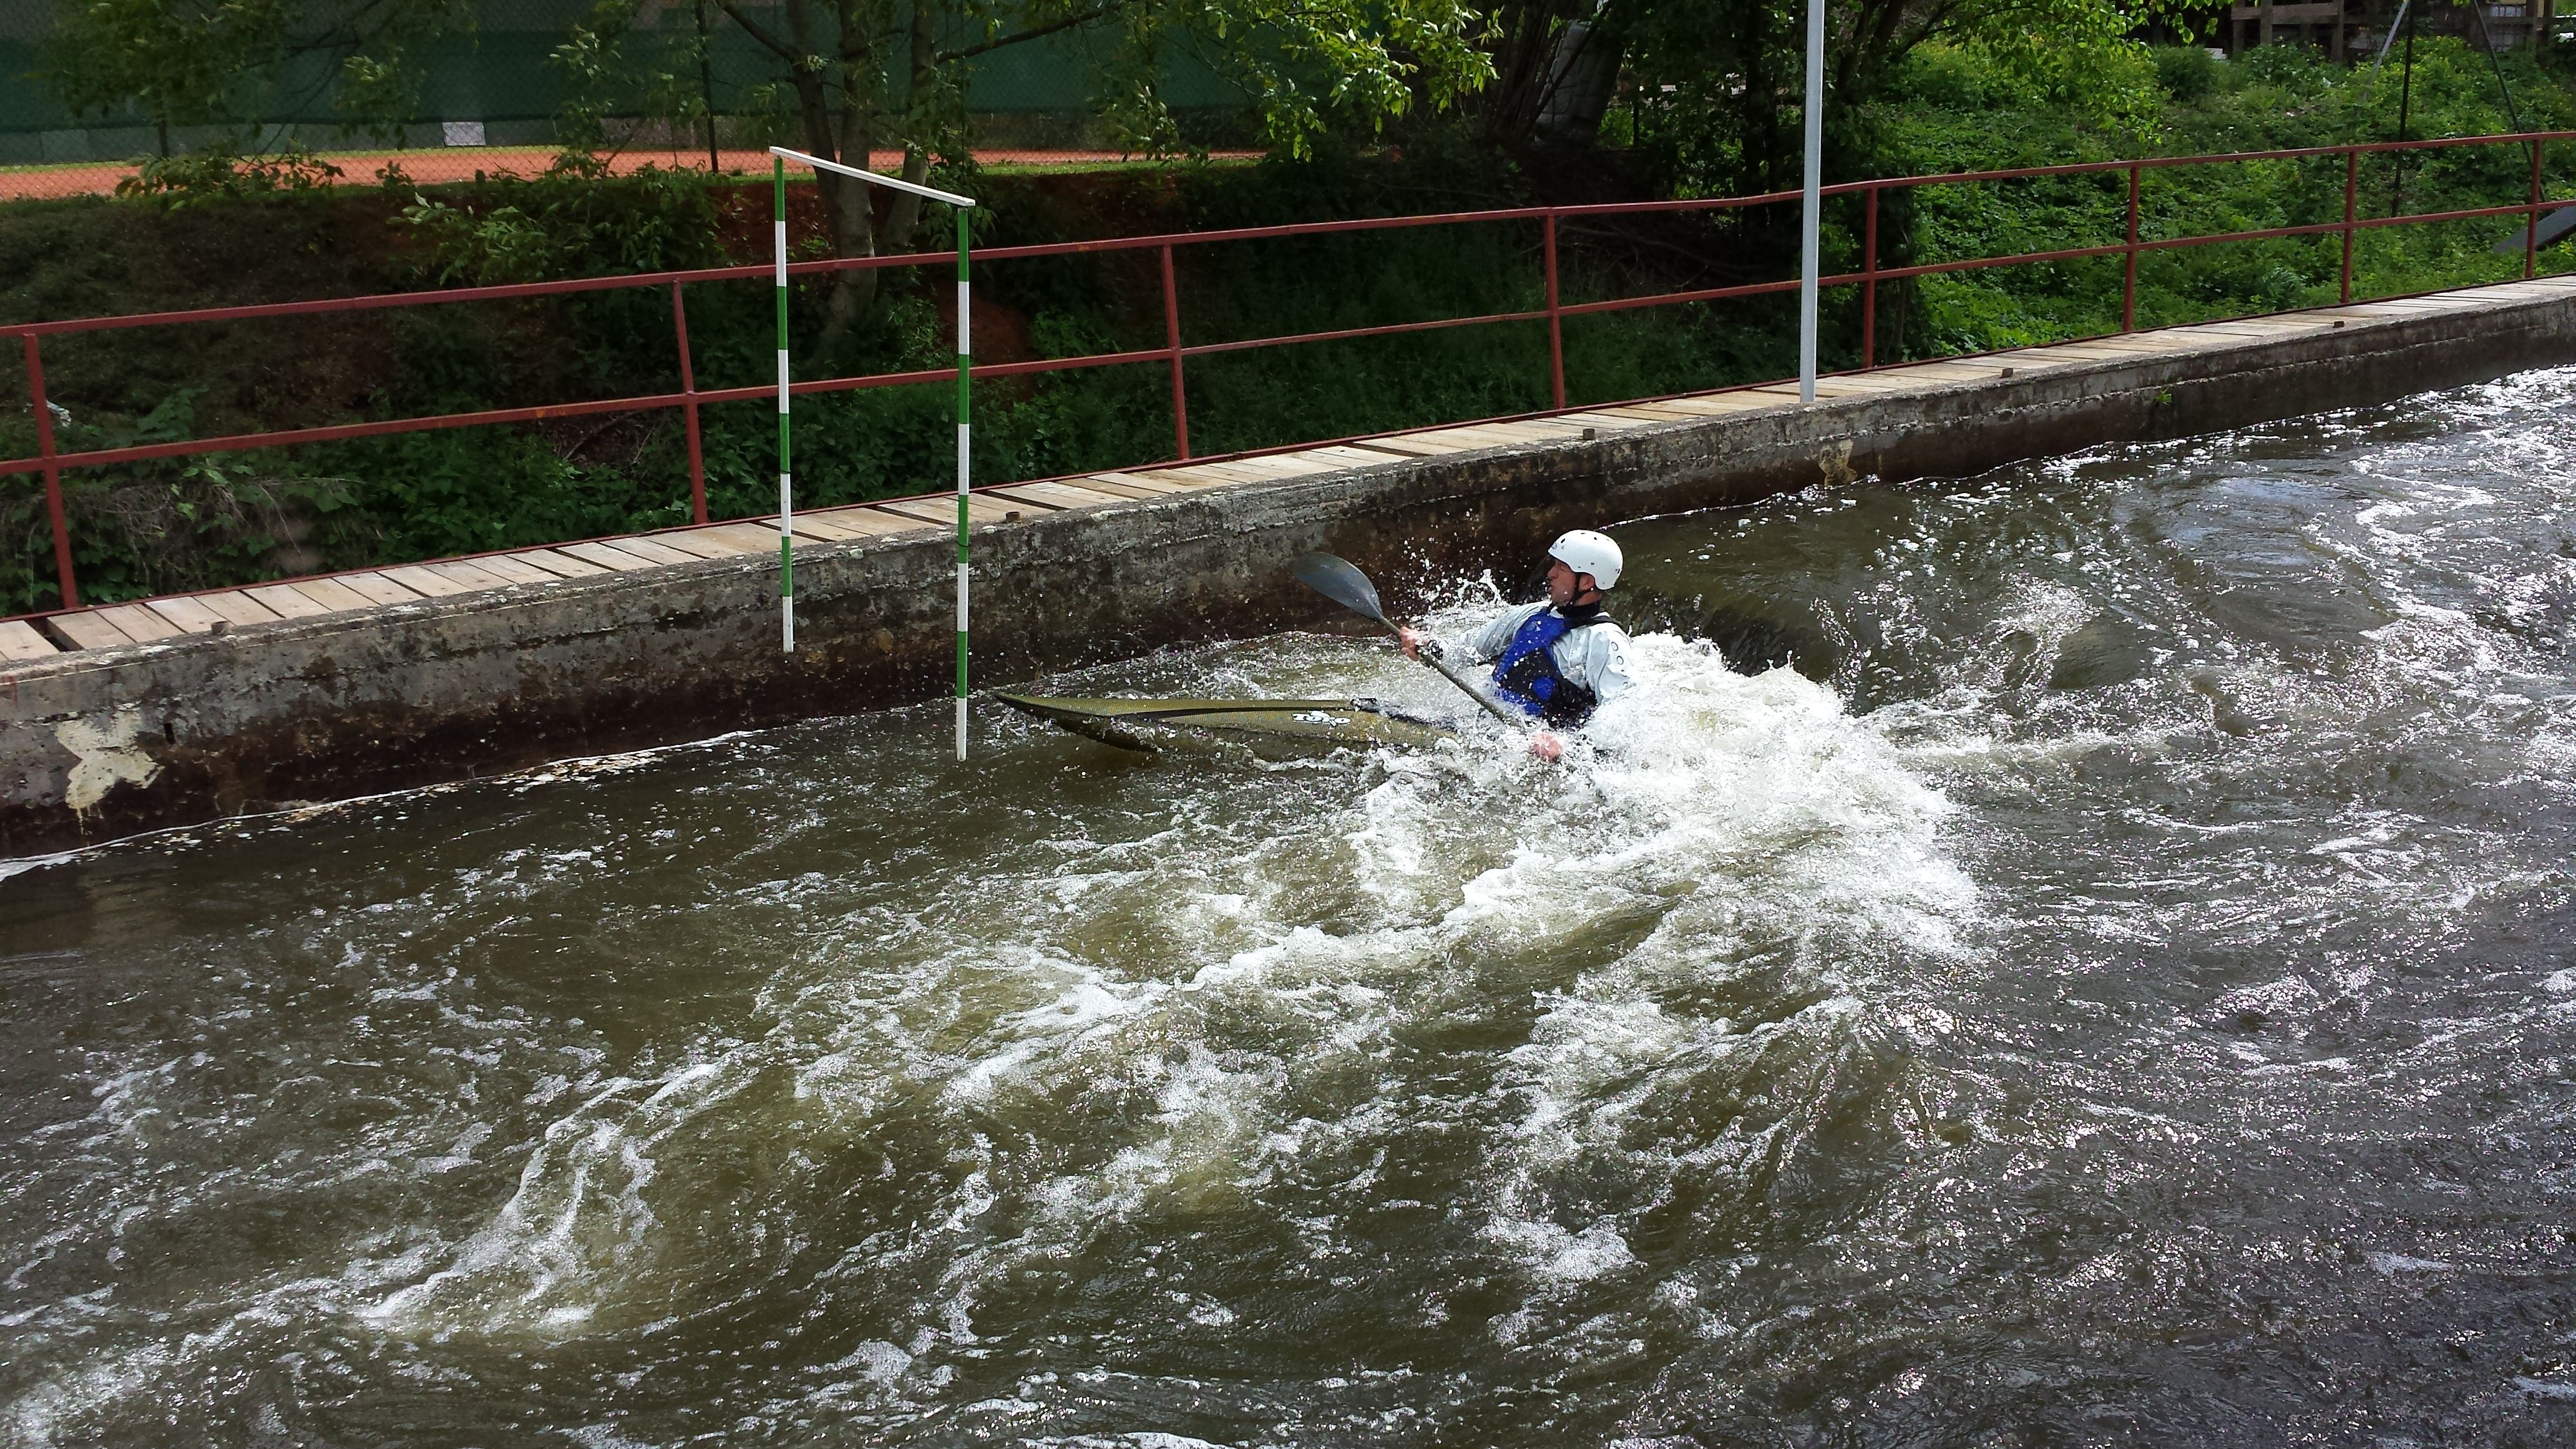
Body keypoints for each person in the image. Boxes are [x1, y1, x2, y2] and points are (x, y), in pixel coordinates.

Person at [1399, 530, 1635, 761]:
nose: (1551, 573)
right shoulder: (1532, 614)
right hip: (1487, 732)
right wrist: (1428, 646)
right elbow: (1469, 650)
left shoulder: (1605, 639)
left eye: (1561, 568)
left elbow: (1620, 713)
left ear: (1586, 582)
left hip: (1543, 755)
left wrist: (1566, 745)